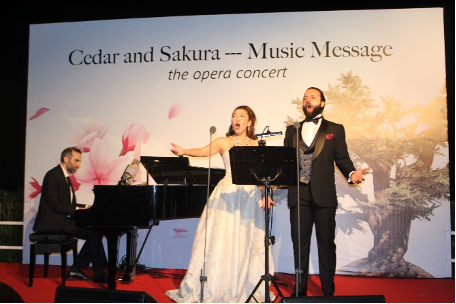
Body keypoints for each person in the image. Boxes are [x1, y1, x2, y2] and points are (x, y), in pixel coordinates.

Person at [165, 105, 275, 303]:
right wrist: (183, 151)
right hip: (227, 194)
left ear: (250, 122)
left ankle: (243, 285)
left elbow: (261, 175)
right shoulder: (223, 141)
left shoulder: (257, 144)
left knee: (246, 240)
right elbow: (201, 151)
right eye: (234, 115)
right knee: (221, 240)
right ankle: (217, 285)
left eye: (241, 116)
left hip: (249, 197)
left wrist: (264, 194)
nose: (237, 119)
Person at [284, 87, 369, 297]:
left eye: (312, 97)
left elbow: (342, 158)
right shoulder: (291, 130)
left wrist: (351, 174)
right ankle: (299, 293)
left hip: (324, 196)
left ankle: (329, 293)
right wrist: (269, 181)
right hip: (298, 196)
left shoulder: (336, 129)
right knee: (300, 247)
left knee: (326, 247)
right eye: (304, 98)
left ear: (322, 103)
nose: (307, 100)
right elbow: (285, 163)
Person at [33, 147, 109, 283]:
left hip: (61, 220)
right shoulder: (53, 175)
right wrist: (78, 211)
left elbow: (66, 204)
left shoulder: (64, 177)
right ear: (66, 159)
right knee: (94, 233)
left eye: (79, 161)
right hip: (52, 223)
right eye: (76, 161)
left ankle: (79, 269)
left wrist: (83, 207)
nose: (79, 164)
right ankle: (96, 271)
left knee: (95, 232)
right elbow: (55, 205)